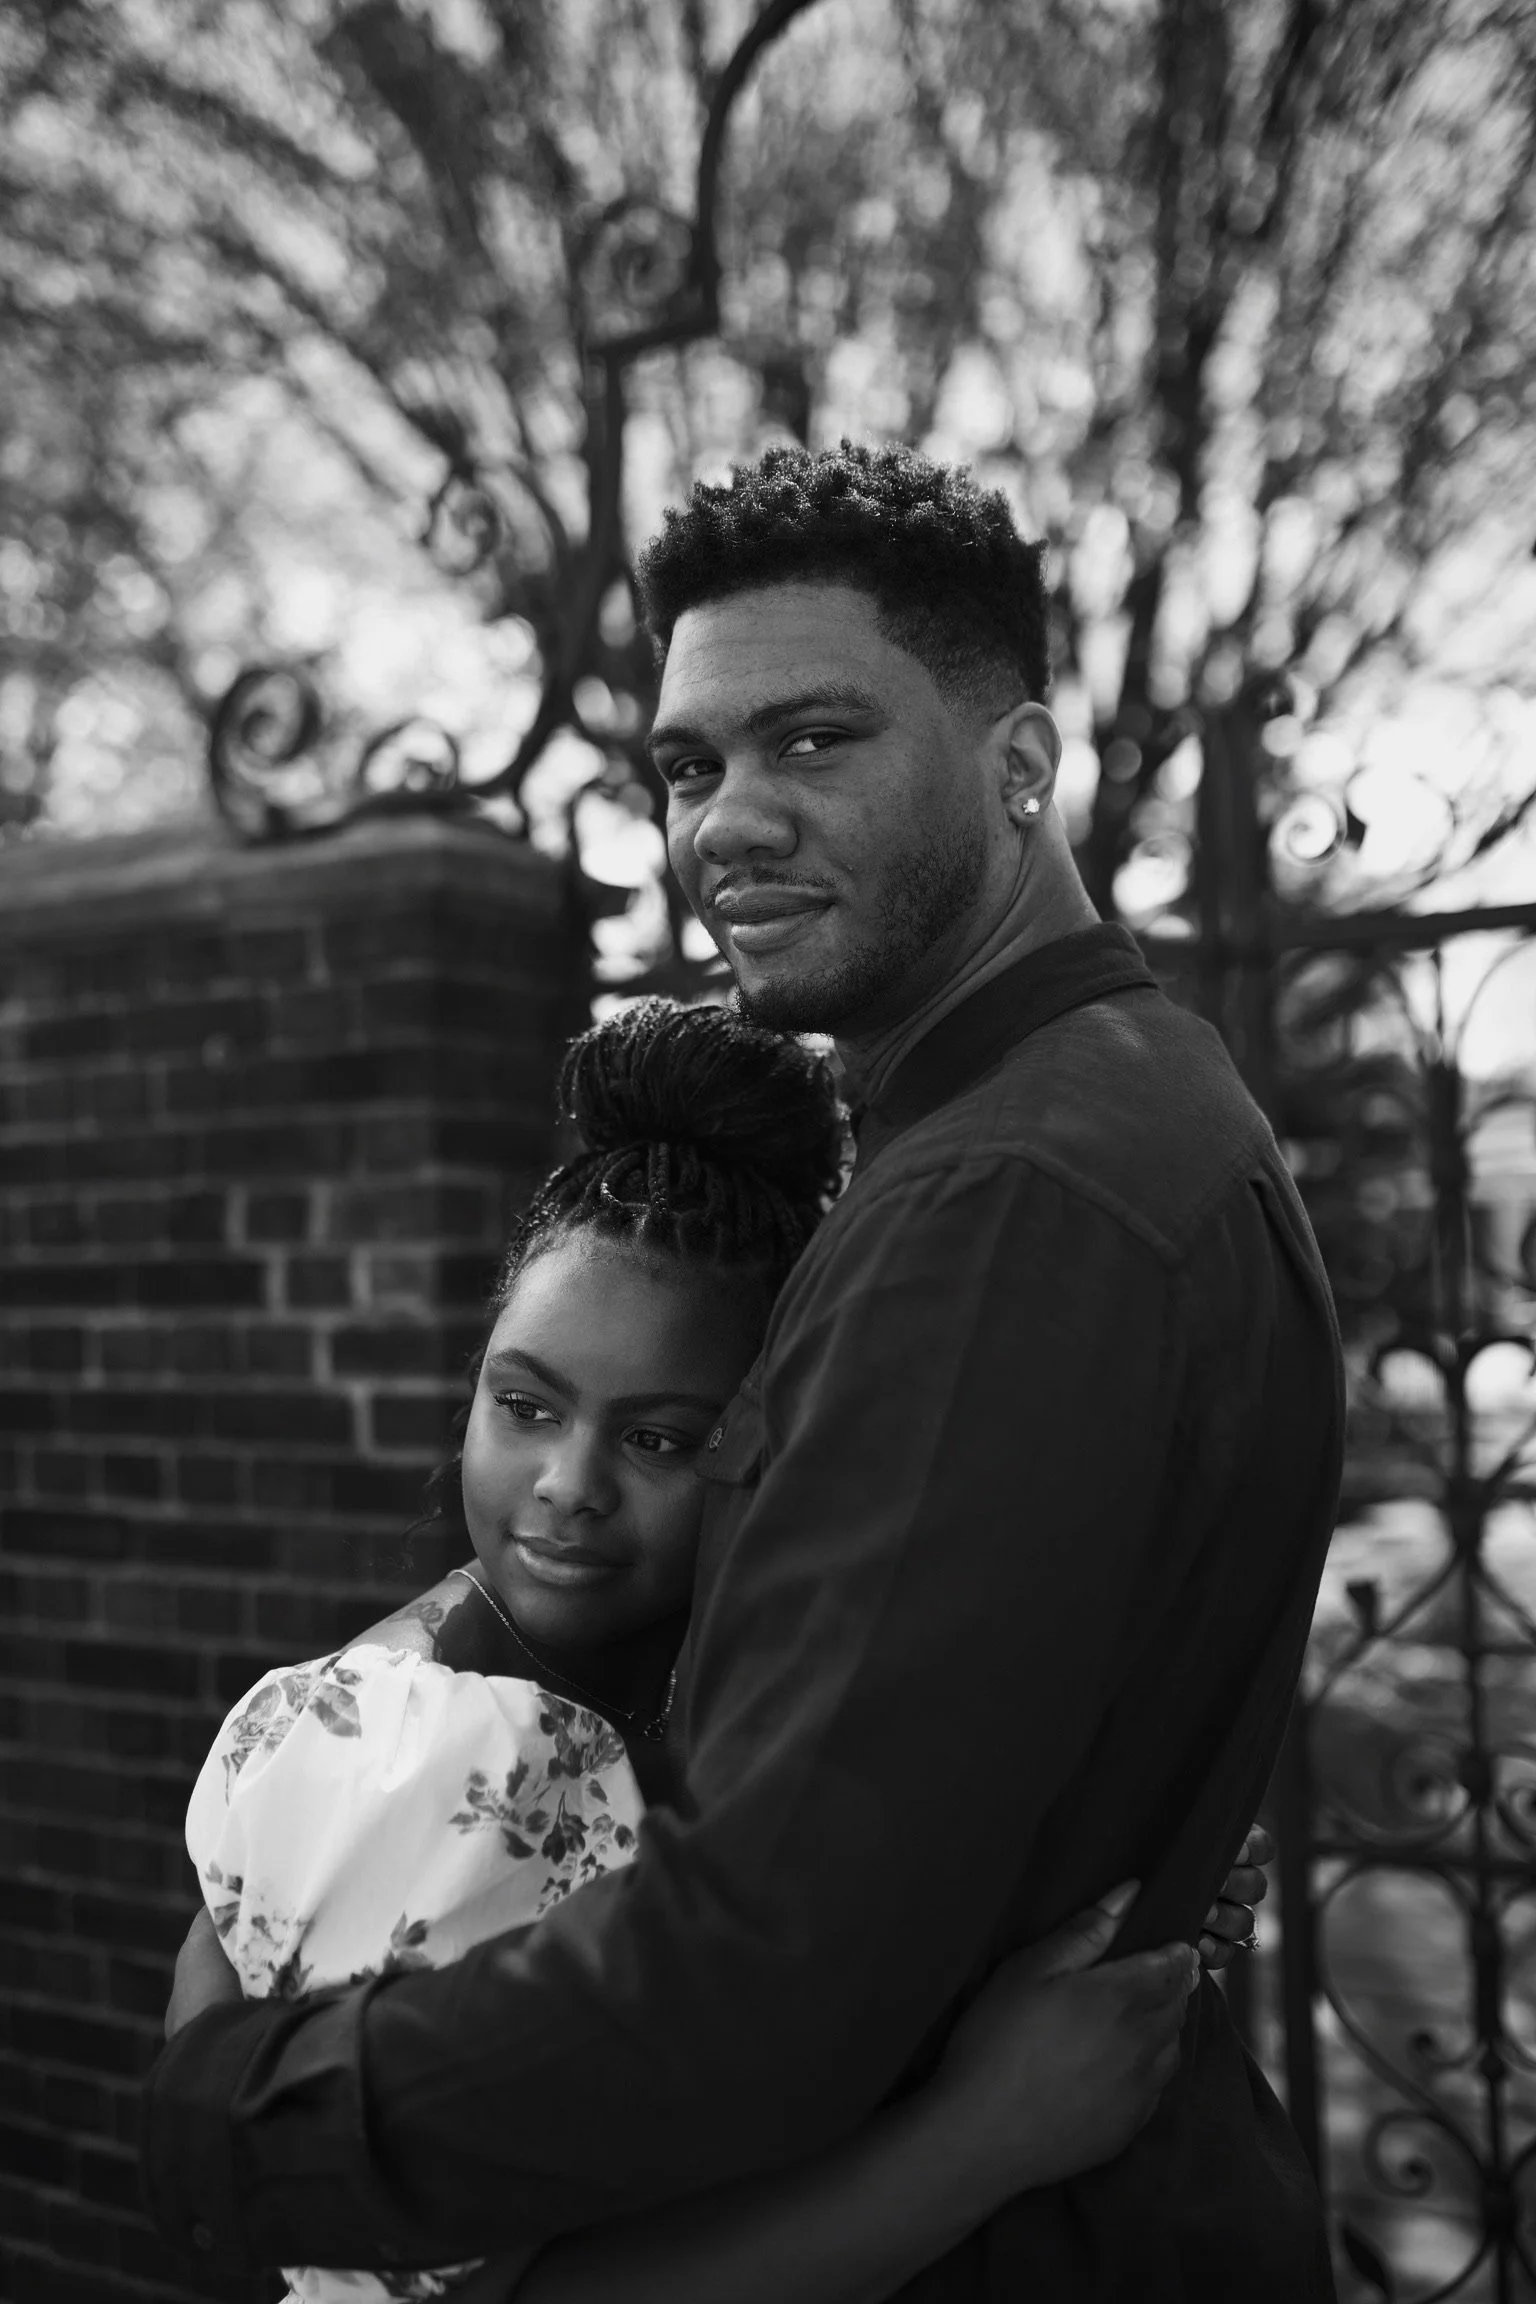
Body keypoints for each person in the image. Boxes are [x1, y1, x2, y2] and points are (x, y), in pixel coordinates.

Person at [144, 442, 1344, 2301]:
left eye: (814, 741)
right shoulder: (1106, 1114)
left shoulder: (1011, 1196)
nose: (727, 823)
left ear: (1022, 763)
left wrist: (250, 2122)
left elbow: (760, 1962)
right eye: (692, 766)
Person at [187, 997, 1255, 2304]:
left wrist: (1104, 1891)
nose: (568, 1487)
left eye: (659, 1440)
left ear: (763, 1450)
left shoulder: (732, 1671)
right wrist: (987, 2137)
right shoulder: (429, 1761)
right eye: (524, 1406)